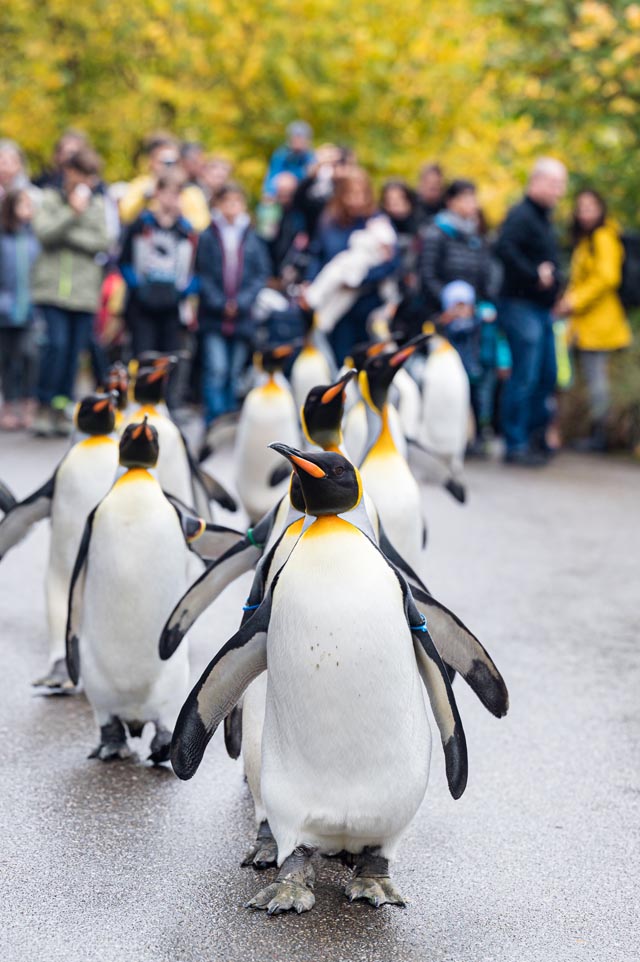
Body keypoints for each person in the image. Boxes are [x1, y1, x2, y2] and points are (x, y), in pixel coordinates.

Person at [494, 157, 568, 466]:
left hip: (541, 309)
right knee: (525, 374)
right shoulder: (521, 215)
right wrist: (534, 274)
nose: (559, 191)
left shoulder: (543, 218)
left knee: (546, 373)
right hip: (519, 304)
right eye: (554, 184)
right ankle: (515, 442)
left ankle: (534, 436)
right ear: (536, 181)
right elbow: (504, 249)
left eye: (561, 185)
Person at [31, 147, 109, 436]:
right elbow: (44, 233)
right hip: (52, 290)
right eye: (83, 174)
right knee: (56, 346)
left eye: (92, 176)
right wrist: (72, 215)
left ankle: (61, 407)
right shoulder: (50, 199)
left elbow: (102, 241)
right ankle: (43, 403)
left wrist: (69, 233)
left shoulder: (98, 204)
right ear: (70, 172)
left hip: (84, 293)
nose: (88, 182)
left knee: (74, 353)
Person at [555, 189, 632, 451]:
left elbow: (607, 277)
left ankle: (603, 435)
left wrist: (573, 301)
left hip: (600, 323)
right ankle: (589, 431)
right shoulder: (585, 239)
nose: (585, 213)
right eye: (581, 208)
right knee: (586, 380)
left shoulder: (603, 236)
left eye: (591, 207)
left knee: (598, 380)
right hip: (584, 324)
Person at [303, 168, 399, 364]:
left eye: (361, 194)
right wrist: (309, 281)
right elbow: (317, 255)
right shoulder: (329, 222)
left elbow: (392, 263)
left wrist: (361, 279)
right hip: (337, 307)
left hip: (368, 302)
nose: (356, 200)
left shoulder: (377, 223)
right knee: (341, 361)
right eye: (351, 194)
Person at [195, 183, 270, 424]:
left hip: (243, 316)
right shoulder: (208, 236)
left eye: (236, 202)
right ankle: (214, 418)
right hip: (213, 315)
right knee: (215, 368)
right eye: (226, 202)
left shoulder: (252, 236)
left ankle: (229, 417)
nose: (231, 207)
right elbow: (202, 273)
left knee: (233, 371)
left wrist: (242, 301)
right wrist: (219, 302)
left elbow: (260, 273)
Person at [118, 169, 198, 358]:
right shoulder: (141, 224)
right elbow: (124, 261)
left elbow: (197, 270)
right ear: (158, 193)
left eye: (177, 194)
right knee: (143, 357)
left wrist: (183, 291)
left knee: (169, 359)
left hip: (172, 305)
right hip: (142, 304)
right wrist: (138, 287)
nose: (172, 199)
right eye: (168, 193)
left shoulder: (186, 231)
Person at [418, 179, 495, 320]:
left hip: (473, 312)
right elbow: (427, 274)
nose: (471, 204)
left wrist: (483, 302)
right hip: (442, 313)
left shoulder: (477, 234)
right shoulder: (436, 233)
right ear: (451, 201)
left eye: (473, 198)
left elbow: (486, 273)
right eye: (465, 198)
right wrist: (451, 302)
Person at [0, 190, 40, 429]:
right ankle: (8, 405)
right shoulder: (3, 238)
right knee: (7, 360)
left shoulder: (35, 237)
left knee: (29, 357)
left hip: (31, 309)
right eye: (23, 204)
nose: (28, 209)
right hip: (5, 310)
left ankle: (27, 404)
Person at [119, 134, 210, 232]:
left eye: (173, 162)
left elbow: (202, 224)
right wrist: (146, 198)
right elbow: (125, 215)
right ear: (152, 162)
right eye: (164, 161)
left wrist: (180, 214)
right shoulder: (141, 185)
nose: (168, 167)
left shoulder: (189, 190)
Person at [263, 122, 314, 197]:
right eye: (295, 137)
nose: (298, 141)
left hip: (302, 194)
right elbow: (273, 175)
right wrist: (269, 192)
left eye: (301, 138)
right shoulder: (281, 154)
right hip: (281, 192)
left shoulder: (310, 156)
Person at [415, 162, 444, 228]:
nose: (433, 186)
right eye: (428, 182)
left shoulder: (447, 205)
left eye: (436, 182)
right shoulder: (411, 204)